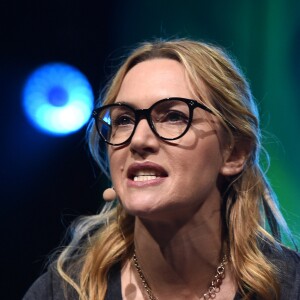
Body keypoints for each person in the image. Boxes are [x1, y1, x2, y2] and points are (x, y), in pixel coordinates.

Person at [23, 39, 300, 300]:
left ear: (235, 153)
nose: (139, 140)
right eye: (124, 120)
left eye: (174, 116)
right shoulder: (64, 290)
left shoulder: (289, 286)